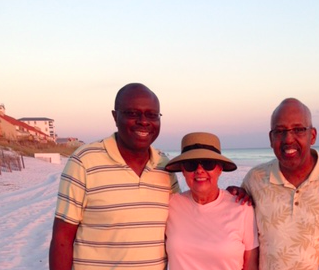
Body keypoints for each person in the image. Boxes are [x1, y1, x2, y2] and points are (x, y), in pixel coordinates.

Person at [49, 83, 180, 270]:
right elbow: (62, 238)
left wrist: (232, 197)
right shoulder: (84, 161)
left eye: (152, 115)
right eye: (132, 113)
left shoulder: (164, 166)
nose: (144, 121)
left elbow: (185, 217)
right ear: (115, 116)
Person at [238, 98, 319, 269]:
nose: (288, 139)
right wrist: (232, 196)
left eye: (298, 130)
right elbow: (240, 234)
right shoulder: (255, 179)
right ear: (270, 138)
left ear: (312, 136)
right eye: (280, 131)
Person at [164, 132, 259, 270]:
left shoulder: (242, 207)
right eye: (191, 164)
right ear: (183, 170)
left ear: (220, 169)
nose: (199, 170)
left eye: (208, 164)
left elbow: (251, 264)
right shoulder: (170, 205)